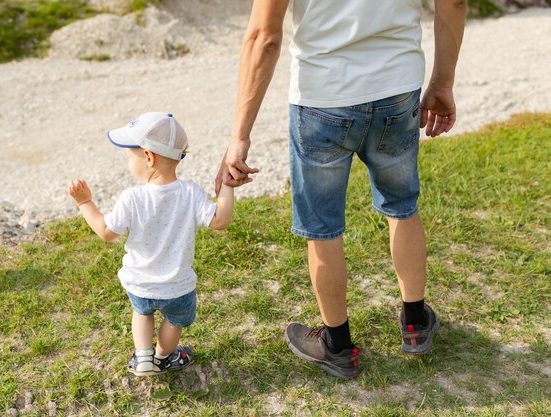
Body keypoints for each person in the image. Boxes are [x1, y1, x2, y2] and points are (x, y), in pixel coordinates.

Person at [215, 0, 467, 379]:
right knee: (401, 206)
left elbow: (263, 36)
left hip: (321, 97)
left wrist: (239, 137)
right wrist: (442, 82)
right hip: (395, 89)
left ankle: (337, 345)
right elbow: (454, 3)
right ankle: (415, 323)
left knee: (321, 226)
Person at [69, 112, 235, 376]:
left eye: (129, 156)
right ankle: (163, 356)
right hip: (177, 285)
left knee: (142, 314)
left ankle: (144, 356)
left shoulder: (131, 198)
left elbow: (106, 232)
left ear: (148, 157)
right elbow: (219, 221)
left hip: (141, 283)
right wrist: (227, 186)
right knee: (173, 321)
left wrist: (84, 203)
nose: (128, 163)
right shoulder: (190, 193)